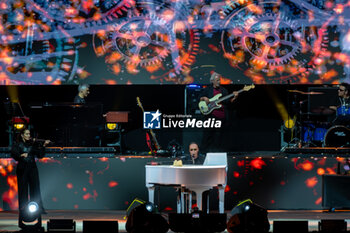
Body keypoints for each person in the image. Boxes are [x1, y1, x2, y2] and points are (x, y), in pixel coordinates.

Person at [11, 128, 50, 219]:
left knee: (35, 188)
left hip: (32, 168)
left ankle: (38, 208)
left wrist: (43, 146)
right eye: (27, 134)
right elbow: (14, 154)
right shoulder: (17, 144)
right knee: (23, 189)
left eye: (29, 134)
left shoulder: (32, 145)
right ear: (22, 135)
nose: (29, 136)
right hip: (22, 169)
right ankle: (23, 209)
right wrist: (21, 155)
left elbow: (40, 155)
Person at [199, 72, 239, 152]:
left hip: (221, 117)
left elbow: (228, 102)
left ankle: (218, 152)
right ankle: (203, 152)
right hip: (210, 116)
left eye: (219, 80)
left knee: (219, 136)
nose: (219, 82)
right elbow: (199, 98)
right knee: (207, 135)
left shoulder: (223, 90)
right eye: (217, 80)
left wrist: (235, 97)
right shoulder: (208, 89)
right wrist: (204, 98)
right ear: (212, 80)